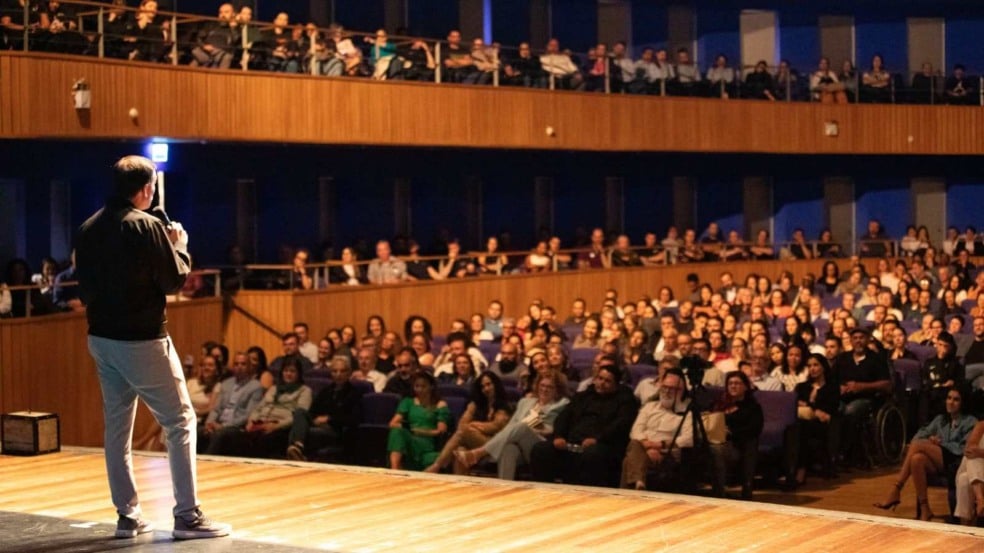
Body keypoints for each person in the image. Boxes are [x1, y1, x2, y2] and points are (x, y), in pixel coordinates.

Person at [74, 155, 229, 539]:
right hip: (142, 339)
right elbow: (175, 280)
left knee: (117, 427)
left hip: (101, 339)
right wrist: (181, 245)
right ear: (146, 189)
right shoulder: (146, 226)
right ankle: (187, 515)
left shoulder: (88, 227)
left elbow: (86, 286)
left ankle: (127, 516)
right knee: (180, 421)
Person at [874, 387, 976, 521]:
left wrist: (940, 444)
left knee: (917, 447)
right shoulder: (940, 420)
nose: (950, 402)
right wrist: (930, 440)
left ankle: (896, 488)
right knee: (917, 459)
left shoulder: (970, 421)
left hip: (957, 462)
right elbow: (918, 436)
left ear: (963, 403)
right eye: (949, 398)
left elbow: (964, 449)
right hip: (940, 460)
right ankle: (925, 508)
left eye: (956, 400)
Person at [530, 364, 639, 488]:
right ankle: (542, 491)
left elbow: (620, 426)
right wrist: (559, 436)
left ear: (616, 384)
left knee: (592, 454)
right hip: (570, 442)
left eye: (607, 381)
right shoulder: (583, 396)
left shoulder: (625, 401)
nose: (602, 383)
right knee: (541, 449)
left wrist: (597, 439)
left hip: (602, 445)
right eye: (600, 378)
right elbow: (564, 417)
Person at [455, 373, 570, 480]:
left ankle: (478, 453)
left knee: (522, 426)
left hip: (540, 445)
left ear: (557, 390)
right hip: (517, 442)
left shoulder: (561, 404)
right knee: (508, 449)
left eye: (549, 387)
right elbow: (510, 427)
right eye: (542, 385)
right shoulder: (525, 402)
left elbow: (556, 428)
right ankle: (503, 489)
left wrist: (536, 427)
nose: (544, 389)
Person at [620, 369, 693, 490]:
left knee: (629, 461)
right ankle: (638, 484)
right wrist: (647, 446)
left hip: (667, 455)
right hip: (643, 450)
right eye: (664, 387)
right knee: (634, 445)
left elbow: (688, 439)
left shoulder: (687, 412)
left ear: (681, 391)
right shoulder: (650, 407)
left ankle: (630, 494)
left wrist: (660, 445)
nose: (667, 391)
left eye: (672, 389)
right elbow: (636, 431)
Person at [426, 371, 511, 473]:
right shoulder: (475, 404)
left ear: (495, 385)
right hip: (475, 440)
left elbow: (496, 426)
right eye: (483, 386)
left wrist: (474, 425)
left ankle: (437, 465)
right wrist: (474, 430)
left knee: (463, 432)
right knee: (460, 451)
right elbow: (462, 423)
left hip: (494, 444)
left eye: (489, 384)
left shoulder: (503, 406)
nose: (486, 389)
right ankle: (460, 485)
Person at [710, 371, 764, 499]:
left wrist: (729, 433)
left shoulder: (753, 407)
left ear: (745, 386)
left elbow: (754, 430)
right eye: (730, 383)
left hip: (737, 446)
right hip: (714, 440)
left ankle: (719, 493)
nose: (733, 386)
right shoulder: (719, 404)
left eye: (737, 383)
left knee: (716, 450)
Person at [386, 372, 450, 470]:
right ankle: (395, 469)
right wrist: (407, 428)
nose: (419, 389)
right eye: (417, 386)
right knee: (397, 432)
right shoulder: (408, 402)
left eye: (423, 386)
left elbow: (441, 431)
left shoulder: (440, 404)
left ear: (431, 387)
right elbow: (393, 423)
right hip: (410, 440)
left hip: (427, 443)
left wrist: (420, 431)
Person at [794, 354, 840, 483]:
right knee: (799, 427)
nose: (812, 368)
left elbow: (828, 412)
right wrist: (814, 408)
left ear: (823, 367)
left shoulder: (832, 388)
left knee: (803, 429)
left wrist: (808, 405)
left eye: (815, 365)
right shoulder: (802, 387)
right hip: (804, 422)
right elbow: (795, 403)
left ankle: (800, 470)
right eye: (809, 366)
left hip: (823, 426)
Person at [954, 420, 984, 525]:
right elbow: (969, 449)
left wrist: (981, 453)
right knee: (964, 478)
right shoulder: (982, 425)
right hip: (976, 472)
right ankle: (980, 500)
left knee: (964, 478)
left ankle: (965, 527)